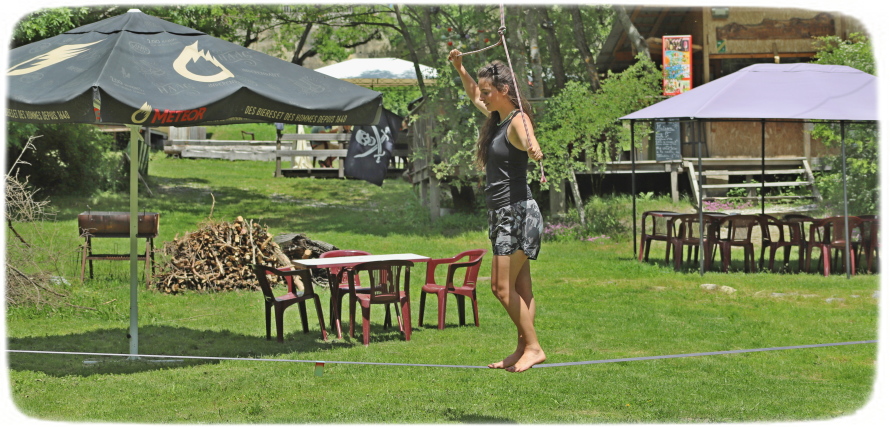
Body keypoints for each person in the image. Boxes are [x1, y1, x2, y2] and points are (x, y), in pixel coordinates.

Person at [448, 49, 546, 373]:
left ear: (504, 90)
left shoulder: (517, 119)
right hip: (505, 214)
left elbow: (530, 138)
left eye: (488, 92)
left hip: (516, 214)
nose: (483, 97)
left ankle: (533, 347)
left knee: (500, 287)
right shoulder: (497, 118)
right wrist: (460, 69)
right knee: (520, 288)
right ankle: (523, 349)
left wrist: (534, 148)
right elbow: (474, 93)